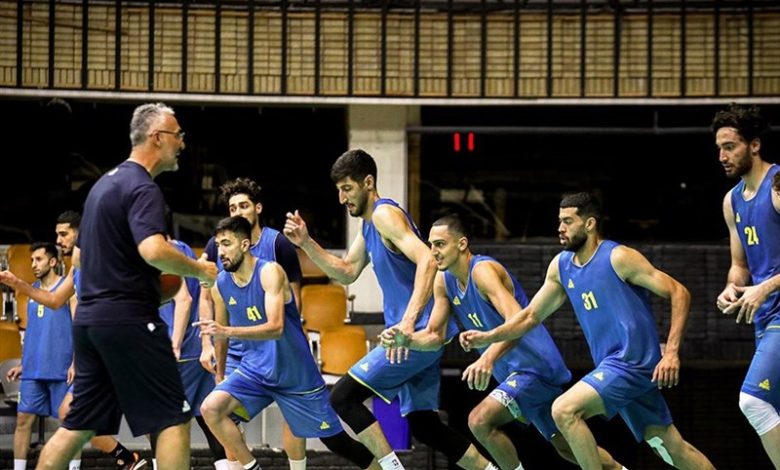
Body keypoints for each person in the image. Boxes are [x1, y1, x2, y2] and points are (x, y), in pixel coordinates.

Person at [460, 192, 715, 470]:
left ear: (590, 224)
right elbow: (530, 316)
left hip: (631, 363)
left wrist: (672, 353)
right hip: (613, 367)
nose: (560, 228)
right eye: (560, 221)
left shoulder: (618, 257)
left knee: (564, 410)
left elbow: (679, 292)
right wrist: (489, 337)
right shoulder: (561, 266)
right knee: (671, 448)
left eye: (568, 221)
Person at [284, 149, 498, 470]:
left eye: (347, 188)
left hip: (414, 335)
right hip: (417, 337)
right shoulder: (370, 225)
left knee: (343, 397)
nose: (342, 198)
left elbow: (428, 260)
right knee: (425, 425)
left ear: (368, 183)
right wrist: (306, 242)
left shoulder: (384, 214)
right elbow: (347, 271)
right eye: (339, 190)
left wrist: (408, 323)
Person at [33, 102, 217, 470]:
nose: (182, 143)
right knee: (172, 418)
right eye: (178, 135)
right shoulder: (142, 188)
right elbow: (153, 250)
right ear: (157, 137)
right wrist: (199, 269)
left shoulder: (102, 187)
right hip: (129, 321)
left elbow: (82, 258)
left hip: (90, 322)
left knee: (77, 426)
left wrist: (146, 285)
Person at [381, 215, 625, 470]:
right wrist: (407, 339)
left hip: (535, 367)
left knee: (480, 420)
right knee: (566, 447)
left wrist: (487, 357)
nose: (433, 252)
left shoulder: (482, 272)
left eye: (440, 244)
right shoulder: (443, 280)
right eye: (431, 245)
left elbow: (517, 323)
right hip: (513, 373)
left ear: (462, 244)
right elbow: (435, 336)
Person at [196, 216, 379, 470]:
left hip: (295, 376)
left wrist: (226, 330)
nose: (221, 251)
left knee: (337, 442)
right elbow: (221, 336)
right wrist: (219, 376)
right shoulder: (221, 285)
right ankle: (252, 467)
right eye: (218, 245)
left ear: (245, 245)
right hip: (255, 371)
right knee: (211, 409)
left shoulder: (270, 272)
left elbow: (275, 327)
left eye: (226, 244)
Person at [0, 211, 146, 470]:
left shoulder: (102, 260)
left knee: (149, 415)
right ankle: (127, 458)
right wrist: (19, 284)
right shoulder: (77, 268)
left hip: (109, 348)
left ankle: (137, 458)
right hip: (94, 351)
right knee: (72, 416)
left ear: (81, 232)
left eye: (64, 234)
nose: (59, 240)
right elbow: (55, 300)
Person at [199, 177, 306, 470]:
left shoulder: (278, 244)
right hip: (235, 348)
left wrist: (287, 340)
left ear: (257, 208)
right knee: (222, 414)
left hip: (276, 346)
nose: (238, 212)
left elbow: (295, 300)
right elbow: (206, 296)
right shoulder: (217, 245)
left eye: (244, 205)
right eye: (233, 207)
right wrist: (207, 343)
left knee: (293, 415)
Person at [713, 103, 780, 468]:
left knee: (753, 401)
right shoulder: (732, 201)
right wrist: (732, 288)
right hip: (765, 319)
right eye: (719, 148)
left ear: (754, 145)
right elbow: (740, 266)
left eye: (730, 147)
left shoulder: (778, 186)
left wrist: (765, 287)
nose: (722, 156)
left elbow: (762, 281)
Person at [158, 236, 228, 469]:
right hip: (198, 347)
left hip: (181, 350)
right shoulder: (182, 248)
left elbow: (184, 300)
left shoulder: (163, 252)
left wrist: (174, 345)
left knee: (167, 420)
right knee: (209, 418)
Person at [7, 242, 76, 470]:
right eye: (32, 260)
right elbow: (33, 333)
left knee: (69, 423)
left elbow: (79, 328)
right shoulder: (31, 292)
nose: (34, 265)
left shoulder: (67, 290)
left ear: (53, 261)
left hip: (62, 368)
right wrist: (23, 364)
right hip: (34, 369)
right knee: (23, 420)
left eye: (39, 259)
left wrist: (77, 362)